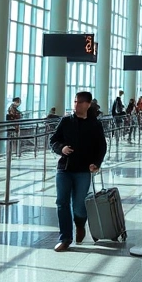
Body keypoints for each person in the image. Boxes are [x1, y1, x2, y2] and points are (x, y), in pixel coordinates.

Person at [49, 91, 107, 252]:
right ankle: (65, 238)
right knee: (62, 202)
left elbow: (101, 146)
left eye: (80, 102)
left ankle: (80, 224)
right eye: (75, 101)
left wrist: (96, 163)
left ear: (88, 104)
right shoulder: (66, 121)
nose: (77, 105)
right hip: (64, 169)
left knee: (79, 206)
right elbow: (53, 140)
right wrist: (62, 148)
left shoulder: (95, 124)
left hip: (83, 170)